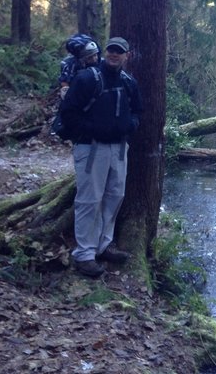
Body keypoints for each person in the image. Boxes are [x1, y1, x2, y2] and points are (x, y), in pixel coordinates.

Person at [59, 36, 142, 277]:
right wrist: (93, 129)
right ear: (105, 52)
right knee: (89, 200)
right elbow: (68, 113)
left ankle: (103, 245)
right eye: (111, 50)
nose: (114, 55)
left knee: (115, 196)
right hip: (91, 148)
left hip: (119, 148)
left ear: (127, 55)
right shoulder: (87, 79)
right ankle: (84, 254)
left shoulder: (129, 82)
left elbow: (138, 110)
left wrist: (131, 125)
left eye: (120, 51)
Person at [59, 34, 101, 99]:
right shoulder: (70, 64)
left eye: (95, 55)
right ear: (82, 58)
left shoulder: (100, 63)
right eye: (90, 57)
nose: (94, 59)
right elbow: (64, 82)